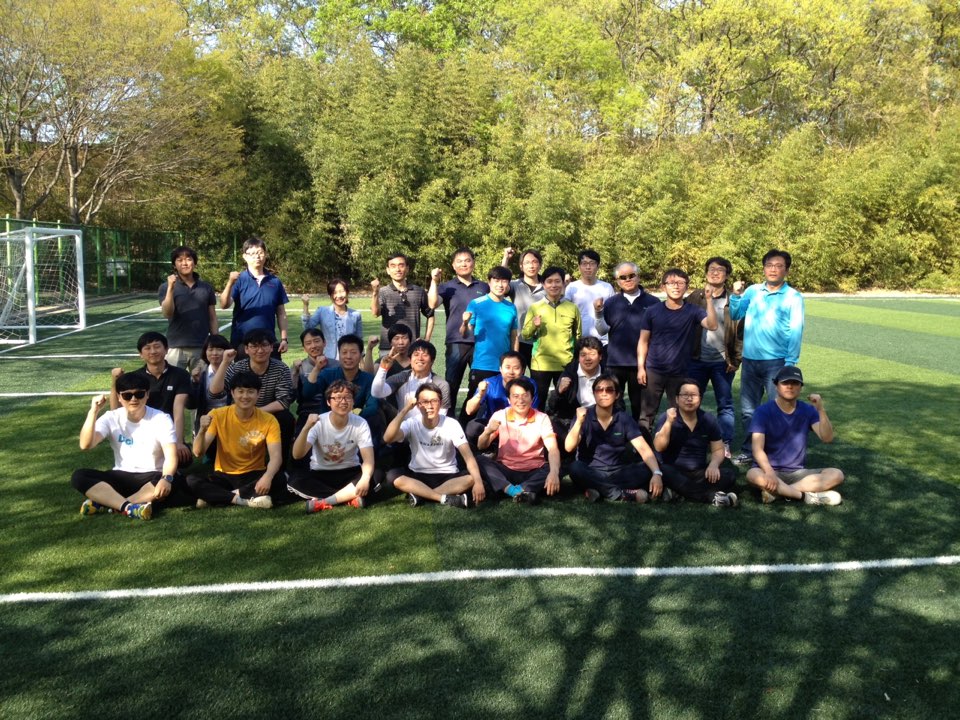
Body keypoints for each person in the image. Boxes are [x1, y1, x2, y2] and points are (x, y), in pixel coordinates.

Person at [728, 249, 804, 465]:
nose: (773, 269)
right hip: (750, 361)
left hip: (777, 362)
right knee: (748, 411)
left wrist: (790, 363)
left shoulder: (793, 297)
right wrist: (736, 295)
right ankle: (750, 450)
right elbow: (735, 314)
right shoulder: (753, 291)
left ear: (786, 270)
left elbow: (796, 330)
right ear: (763, 268)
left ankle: (776, 453)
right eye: (769, 265)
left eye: (779, 266)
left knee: (777, 409)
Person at [71, 374, 177, 521]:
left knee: (174, 481)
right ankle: (129, 507)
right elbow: (85, 444)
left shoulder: (161, 418)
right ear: (119, 397)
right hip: (120, 475)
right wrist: (93, 412)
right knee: (79, 476)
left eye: (139, 394)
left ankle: (106, 502)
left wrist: (167, 478)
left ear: (147, 395)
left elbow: (171, 456)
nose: (133, 399)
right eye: (127, 395)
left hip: (152, 476)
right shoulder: (111, 417)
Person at [744, 366, 844, 506]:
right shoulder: (763, 411)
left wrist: (820, 409)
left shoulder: (808, 410)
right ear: (776, 385)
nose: (790, 386)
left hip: (798, 473)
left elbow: (827, 438)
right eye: (785, 382)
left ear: (801, 387)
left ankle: (779, 493)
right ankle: (806, 497)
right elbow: (757, 449)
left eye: (795, 383)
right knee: (752, 474)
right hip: (768, 471)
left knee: (836, 474)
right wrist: (769, 472)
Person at [565, 375, 667, 503]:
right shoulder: (584, 415)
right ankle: (621, 494)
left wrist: (656, 473)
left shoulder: (624, 418)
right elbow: (569, 447)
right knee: (575, 468)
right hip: (590, 469)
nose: (604, 393)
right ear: (594, 393)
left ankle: (597, 490)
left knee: (647, 468)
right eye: (599, 390)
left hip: (618, 471)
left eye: (609, 390)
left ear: (617, 395)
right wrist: (579, 421)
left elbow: (643, 449)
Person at [636, 268, 717, 430]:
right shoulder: (652, 311)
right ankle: (643, 445)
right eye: (671, 283)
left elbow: (712, 325)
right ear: (663, 286)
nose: (676, 286)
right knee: (646, 414)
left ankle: (675, 444)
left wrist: (709, 300)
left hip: (680, 371)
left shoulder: (693, 311)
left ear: (686, 287)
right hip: (654, 370)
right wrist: (640, 368)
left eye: (681, 283)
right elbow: (643, 341)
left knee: (679, 414)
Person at [186, 371, 280, 509]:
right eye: (240, 391)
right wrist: (202, 430)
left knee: (279, 479)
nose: (245, 396)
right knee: (191, 480)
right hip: (224, 476)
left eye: (250, 392)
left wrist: (267, 477)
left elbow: (276, 457)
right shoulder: (217, 415)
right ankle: (243, 500)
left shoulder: (269, 420)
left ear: (258, 394)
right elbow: (198, 452)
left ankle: (216, 496)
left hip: (254, 474)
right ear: (232, 393)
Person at [209, 328, 295, 475]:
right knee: (213, 421)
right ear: (246, 349)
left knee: (286, 418)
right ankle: (220, 468)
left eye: (264, 345)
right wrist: (225, 362)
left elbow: (283, 401)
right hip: (238, 414)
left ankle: (280, 469)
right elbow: (215, 393)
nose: (259, 350)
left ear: (271, 347)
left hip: (267, 414)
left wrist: (256, 413)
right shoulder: (237, 367)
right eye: (254, 346)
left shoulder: (281, 369)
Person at [383, 383, 484, 508]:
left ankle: (421, 495)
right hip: (418, 475)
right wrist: (405, 410)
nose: (430, 406)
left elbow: (468, 457)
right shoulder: (412, 423)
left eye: (434, 401)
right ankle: (443, 498)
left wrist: (478, 482)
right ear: (418, 405)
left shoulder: (451, 424)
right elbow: (387, 438)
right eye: (425, 402)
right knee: (393, 476)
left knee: (470, 479)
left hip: (448, 475)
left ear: (440, 403)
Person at [684, 257, 742, 458]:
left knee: (725, 404)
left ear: (727, 275)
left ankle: (724, 443)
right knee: (690, 401)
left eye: (720, 270)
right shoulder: (696, 297)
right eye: (711, 269)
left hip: (722, 362)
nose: (715, 272)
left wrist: (736, 359)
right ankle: (692, 440)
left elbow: (740, 331)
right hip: (696, 360)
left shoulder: (732, 300)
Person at [289, 380, 376, 512]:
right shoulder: (319, 422)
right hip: (321, 474)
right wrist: (306, 427)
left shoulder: (360, 423)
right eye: (338, 397)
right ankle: (348, 496)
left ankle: (325, 501)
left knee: (374, 477)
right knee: (295, 480)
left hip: (350, 472)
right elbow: (297, 455)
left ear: (353, 402)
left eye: (348, 397)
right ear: (328, 402)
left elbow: (368, 460)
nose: (343, 401)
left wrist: (365, 479)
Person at [111, 331, 192, 467]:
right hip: (141, 431)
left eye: (157, 346)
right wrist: (115, 380)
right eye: (147, 348)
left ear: (166, 349)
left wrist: (178, 442)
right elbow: (115, 411)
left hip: (167, 431)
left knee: (184, 459)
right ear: (141, 354)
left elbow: (178, 409)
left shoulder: (180, 375)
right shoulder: (136, 377)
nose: (153, 351)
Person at [653, 380, 739, 507]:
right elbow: (659, 447)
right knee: (663, 471)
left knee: (729, 475)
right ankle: (712, 497)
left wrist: (714, 464)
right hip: (673, 471)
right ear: (677, 399)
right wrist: (669, 422)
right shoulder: (667, 418)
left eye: (693, 395)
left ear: (700, 398)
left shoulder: (708, 419)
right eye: (685, 395)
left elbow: (718, 449)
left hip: (699, 472)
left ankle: (678, 492)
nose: (689, 399)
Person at [476, 377, 561, 504]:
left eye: (525, 396)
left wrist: (554, 473)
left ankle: (508, 489)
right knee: (480, 460)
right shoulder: (500, 415)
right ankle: (518, 491)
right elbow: (481, 446)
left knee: (556, 469)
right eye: (515, 396)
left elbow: (553, 449)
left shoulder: (542, 418)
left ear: (532, 398)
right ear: (509, 399)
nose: (520, 400)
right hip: (505, 468)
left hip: (533, 470)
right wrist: (488, 431)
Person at [595, 261, 659, 421]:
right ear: (617, 281)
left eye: (631, 275)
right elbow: (602, 331)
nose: (628, 279)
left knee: (640, 406)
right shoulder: (611, 303)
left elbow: (658, 333)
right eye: (623, 277)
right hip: (615, 362)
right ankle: (616, 434)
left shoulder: (653, 302)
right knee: (613, 404)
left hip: (642, 364)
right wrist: (598, 313)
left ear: (638, 277)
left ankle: (640, 435)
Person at [428, 247, 489, 403]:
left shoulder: (483, 287)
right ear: (453, 266)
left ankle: (468, 416)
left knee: (478, 384)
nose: (464, 264)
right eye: (459, 261)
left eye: (467, 260)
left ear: (473, 263)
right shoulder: (446, 287)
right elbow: (432, 304)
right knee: (451, 384)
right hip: (456, 341)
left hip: (480, 342)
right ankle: (448, 415)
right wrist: (434, 281)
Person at [521, 265, 581, 410]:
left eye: (557, 281)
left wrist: (574, 361)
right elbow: (525, 334)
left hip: (565, 364)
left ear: (563, 283)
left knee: (565, 404)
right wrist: (534, 325)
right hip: (541, 363)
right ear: (543, 284)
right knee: (538, 404)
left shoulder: (572, 308)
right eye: (549, 281)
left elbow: (578, 335)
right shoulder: (535, 307)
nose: (553, 285)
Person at [460, 265, 518, 415]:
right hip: (482, 364)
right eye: (496, 281)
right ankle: (465, 429)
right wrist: (465, 323)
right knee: (474, 403)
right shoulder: (476, 304)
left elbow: (514, 336)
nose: (500, 285)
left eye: (504, 281)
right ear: (489, 282)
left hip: (504, 366)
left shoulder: (511, 307)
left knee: (503, 404)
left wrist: (515, 360)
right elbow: (465, 334)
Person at [220, 236, 290, 353]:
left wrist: (284, 339)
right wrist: (230, 283)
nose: (257, 256)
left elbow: (281, 313)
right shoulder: (239, 279)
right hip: (242, 342)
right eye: (252, 253)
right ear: (245, 256)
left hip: (268, 342)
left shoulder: (275, 281)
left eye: (260, 252)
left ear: (265, 254)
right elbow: (224, 305)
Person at [158, 245, 218, 369]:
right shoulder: (165, 287)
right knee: (173, 380)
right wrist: (170, 288)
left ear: (194, 263)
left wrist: (215, 341)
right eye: (179, 260)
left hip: (201, 345)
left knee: (202, 380)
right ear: (174, 265)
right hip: (175, 346)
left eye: (188, 259)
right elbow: (167, 313)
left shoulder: (206, 287)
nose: (184, 263)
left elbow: (212, 317)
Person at [462, 350, 537, 447]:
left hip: (521, 425)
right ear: (500, 369)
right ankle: (486, 451)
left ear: (523, 370)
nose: (511, 372)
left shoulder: (530, 385)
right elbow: (469, 411)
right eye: (507, 367)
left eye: (516, 368)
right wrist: (480, 394)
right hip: (494, 426)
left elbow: (534, 412)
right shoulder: (490, 383)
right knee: (473, 427)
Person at [370, 253, 434, 352]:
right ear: (388, 270)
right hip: (388, 348)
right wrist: (375, 293)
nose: (397, 269)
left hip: (412, 348)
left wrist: (426, 340)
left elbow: (430, 314)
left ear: (407, 269)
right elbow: (375, 313)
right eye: (393, 266)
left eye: (401, 265)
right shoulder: (382, 292)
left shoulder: (418, 291)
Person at [372, 339, 452, 412]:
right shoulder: (401, 378)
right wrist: (383, 369)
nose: (420, 358)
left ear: (432, 361)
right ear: (410, 360)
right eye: (416, 355)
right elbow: (377, 393)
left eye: (425, 355)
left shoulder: (440, 385)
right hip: (403, 422)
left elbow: (441, 415)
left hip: (431, 423)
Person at [502, 247, 545, 369]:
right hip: (519, 341)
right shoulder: (515, 285)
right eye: (527, 263)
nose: (531, 266)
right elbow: (501, 281)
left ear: (540, 265)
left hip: (541, 342)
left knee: (538, 377)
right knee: (515, 375)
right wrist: (506, 258)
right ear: (521, 266)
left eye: (534, 262)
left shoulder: (547, 287)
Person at [300, 279, 363, 360]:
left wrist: (361, 359)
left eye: (342, 291)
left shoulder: (355, 315)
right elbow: (307, 327)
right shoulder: (322, 311)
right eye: (334, 292)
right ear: (330, 295)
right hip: (328, 359)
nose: (339, 296)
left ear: (347, 292)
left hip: (349, 359)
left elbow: (359, 340)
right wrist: (305, 305)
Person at [548, 336, 605, 421]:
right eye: (583, 355)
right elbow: (552, 406)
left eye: (592, 354)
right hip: (572, 420)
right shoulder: (569, 374)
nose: (587, 358)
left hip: (600, 419)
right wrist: (559, 392)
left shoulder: (607, 375)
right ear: (578, 357)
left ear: (600, 356)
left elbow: (618, 404)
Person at [564, 249, 614, 344]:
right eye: (584, 263)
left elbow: (612, 315)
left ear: (598, 266)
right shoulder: (572, 287)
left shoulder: (607, 288)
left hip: (602, 341)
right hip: (578, 341)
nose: (588, 267)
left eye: (592, 263)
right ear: (579, 266)